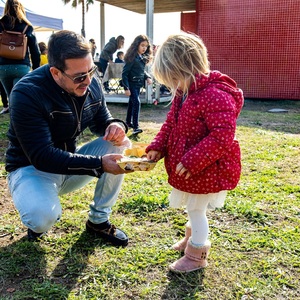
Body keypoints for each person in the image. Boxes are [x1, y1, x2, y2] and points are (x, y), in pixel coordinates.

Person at [5, 30, 133, 246]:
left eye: (91, 70)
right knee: (41, 218)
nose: (88, 80)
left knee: (120, 143)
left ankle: (98, 221)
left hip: (68, 163)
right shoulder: (27, 92)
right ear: (55, 73)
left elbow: (103, 119)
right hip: (31, 169)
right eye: (80, 77)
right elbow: (41, 156)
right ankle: (37, 211)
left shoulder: (88, 79)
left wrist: (116, 126)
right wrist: (99, 164)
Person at [146, 33, 244, 273]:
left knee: (196, 209)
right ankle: (191, 240)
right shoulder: (185, 91)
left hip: (208, 167)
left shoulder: (214, 95)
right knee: (193, 206)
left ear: (185, 68)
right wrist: (158, 146)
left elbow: (222, 136)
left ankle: (197, 254)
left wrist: (192, 161)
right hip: (195, 167)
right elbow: (171, 124)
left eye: (174, 78)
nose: (173, 85)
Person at [0, 0, 40, 107]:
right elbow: (35, 51)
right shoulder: (27, 27)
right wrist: (36, 70)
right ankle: (20, 121)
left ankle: (13, 121)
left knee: (11, 98)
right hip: (22, 66)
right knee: (21, 98)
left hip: (3, 67)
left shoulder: (0, 25)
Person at [122, 34, 152, 135]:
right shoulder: (132, 58)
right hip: (131, 85)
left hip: (138, 84)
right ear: (137, 45)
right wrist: (126, 87)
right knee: (136, 103)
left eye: (146, 46)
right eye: (142, 45)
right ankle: (136, 127)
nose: (144, 48)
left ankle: (128, 123)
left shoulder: (142, 58)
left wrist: (147, 77)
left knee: (132, 103)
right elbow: (124, 74)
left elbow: (141, 71)